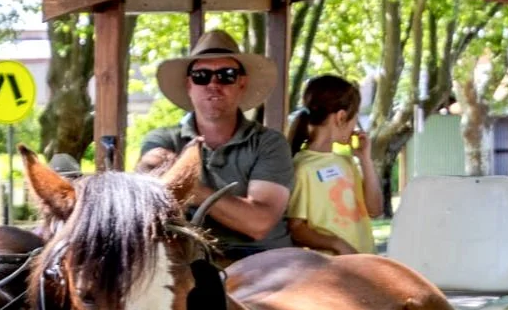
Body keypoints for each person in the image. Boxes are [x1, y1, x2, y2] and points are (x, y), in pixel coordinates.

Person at [137, 30, 294, 262]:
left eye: (226, 75)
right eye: (201, 76)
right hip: (190, 260)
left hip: (264, 260)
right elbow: (145, 206)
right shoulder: (161, 140)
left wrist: (187, 183)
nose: (213, 84)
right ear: (189, 84)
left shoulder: (269, 143)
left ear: (242, 83)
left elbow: (259, 223)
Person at [284, 75, 382, 256]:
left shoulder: (347, 161)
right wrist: (337, 244)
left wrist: (365, 160)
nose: (356, 126)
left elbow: (375, 210)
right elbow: (297, 228)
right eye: (355, 118)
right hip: (331, 272)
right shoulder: (302, 168)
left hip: (364, 264)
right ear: (341, 117)